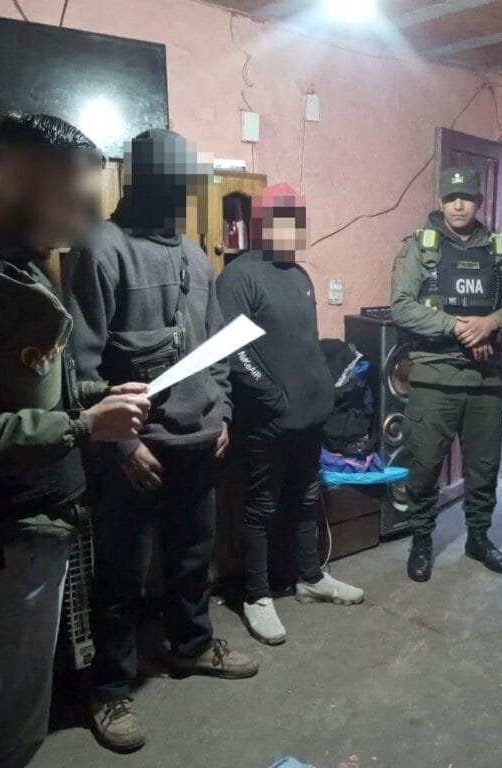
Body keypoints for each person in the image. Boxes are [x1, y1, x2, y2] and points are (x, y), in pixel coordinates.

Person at [0, 113, 151, 768]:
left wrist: (92, 397)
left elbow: (21, 387)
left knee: (10, 721)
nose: (83, 224)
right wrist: (83, 426)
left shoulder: (4, 259)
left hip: (23, 532)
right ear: (22, 177)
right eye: (74, 203)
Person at [64, 129, 258, 754]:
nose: (178, 193)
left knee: (192, 557)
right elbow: (80, 366)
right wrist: (123, 448)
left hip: (198, 439)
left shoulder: (196, 257)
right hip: (134, 453)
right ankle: (109, 688)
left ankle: (191, 644)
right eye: (167, 180)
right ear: (137, 179)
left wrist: (222, 413)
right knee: (120, 574)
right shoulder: (102, 248)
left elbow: (216, 348)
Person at [216, 182, 364, 646]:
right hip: (266, 420)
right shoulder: (239, 276)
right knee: (260, 507)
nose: (288, 230)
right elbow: (231, 350)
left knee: (305, 498)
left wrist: (323, 390)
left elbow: (303, 343)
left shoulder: (299, 275)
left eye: (294, 220)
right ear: (260, 224)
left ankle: (310, 578)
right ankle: (256, 596)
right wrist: (271, 394)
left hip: (309, 416)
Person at [391, 167, 502, 582]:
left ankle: (478, 538)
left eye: (467, 198)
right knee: (423, 467)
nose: (459, 205)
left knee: (483, 470)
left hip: (485, 380)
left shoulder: (500, 251)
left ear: (479, 202)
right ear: (440, 201)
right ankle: (422, 541)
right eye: (451, 197)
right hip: (434, 378)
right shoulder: (420, 248)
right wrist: (457, 327)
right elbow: (402, 306)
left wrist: (491, 323)